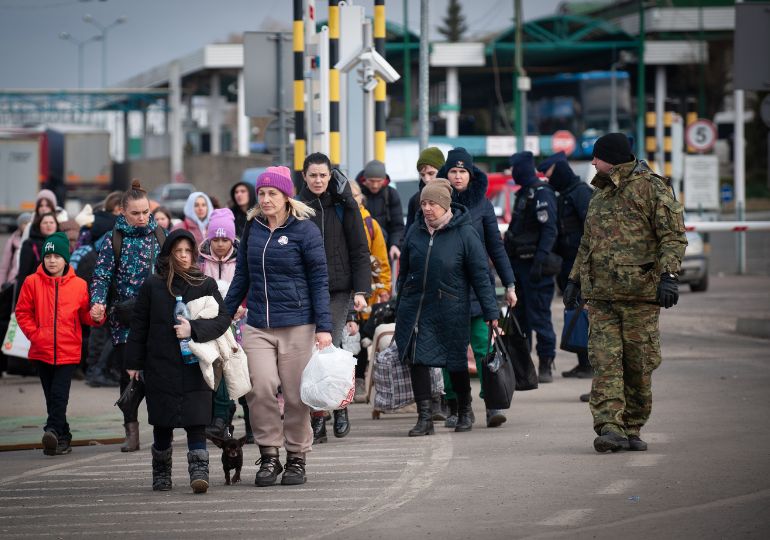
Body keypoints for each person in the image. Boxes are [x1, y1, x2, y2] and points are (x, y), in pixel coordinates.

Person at [565, 132, 687, 453]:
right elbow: (587, 243)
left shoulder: (652, 188)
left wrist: (669, 276)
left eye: (596, 156)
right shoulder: (600, 195)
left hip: (640, 297)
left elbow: (672, 236)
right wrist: (574, 280)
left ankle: (632, 426)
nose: (592, 162)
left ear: (613, 157)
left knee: (638, 365)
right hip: (602, 298)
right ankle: (609, 427)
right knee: (605, 362)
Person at [225, 165, 332, 486]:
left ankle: (296, 457)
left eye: (273, 193)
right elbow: (242, 276)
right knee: (259, 388)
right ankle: (269, 454)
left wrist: (324, 327)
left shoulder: (305, 230)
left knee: (298, 395)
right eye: (262, 193)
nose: (266, 199)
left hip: (298, 324)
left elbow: (319, 280)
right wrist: (223, 315)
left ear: (286, 196)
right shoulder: (253, 227)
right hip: (258, 324)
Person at [126, 229, 232, 493]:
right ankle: (161, 472)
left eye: (188, 251)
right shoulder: (153, 285)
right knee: (162, 422)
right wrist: (133, 362)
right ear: (169, 254)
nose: (183, 257)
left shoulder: (204, 284)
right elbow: (139, 325)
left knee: (197, 422)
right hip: (160, 364)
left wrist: (193, 329)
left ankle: (199, 472)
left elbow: (222, 320)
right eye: (178, 251)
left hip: (195, 365)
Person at [395, 179, 499, 436]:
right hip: (416, 307)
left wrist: (491, 314)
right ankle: (424, 418)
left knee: (455, 362)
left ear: (445, 204)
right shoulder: (415, 231)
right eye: (423, 203)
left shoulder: (465, 233)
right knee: (416, 360)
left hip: (451, 308)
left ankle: (464, 410)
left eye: (432, 203)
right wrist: (401, 300)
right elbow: (404, 270)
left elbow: (481, 276)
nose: (427, 208)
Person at [437, 148, 517, 428]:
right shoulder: (435, 202)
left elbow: (496, 246)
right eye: (453, 171)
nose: (458, 177)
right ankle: (458, 406)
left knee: (484, 347)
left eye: (462, 171)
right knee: (452, 352)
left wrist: (509, 283)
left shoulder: (482, 205)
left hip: (478, 288)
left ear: (470, 174)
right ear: (446, 174)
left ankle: (492, 403)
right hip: (446, 290)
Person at [298, 153, 370, 443]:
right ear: (304, 176)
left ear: (330, 176)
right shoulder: (296, 207)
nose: (318, 180)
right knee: (309, 354)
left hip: (338, 289)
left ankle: (340, 407)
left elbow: (359, 248)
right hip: (304, 289)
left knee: (332, 345)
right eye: (312, 175)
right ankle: (318, 419)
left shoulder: (344, 204)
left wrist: (361, 291)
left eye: (323, 175)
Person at [90, 180, 166, 452]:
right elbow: (101, 276)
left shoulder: (160, 235)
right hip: (124, 320)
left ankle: (161, 431)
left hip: (157, 318)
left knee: (158, 376)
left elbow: (173, 272)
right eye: (136, 213)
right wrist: (97, 302)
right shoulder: (113, 240)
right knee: (129, 377)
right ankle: (131, 431)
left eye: (146, 212)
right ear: (122, 212)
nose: (142, 217)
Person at [15, 232, 104, 455]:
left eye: (57, 256)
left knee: (59, 396)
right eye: (48, 256)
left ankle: (52, 430)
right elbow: (22, 312)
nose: (52, 260)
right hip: (41, 350)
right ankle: (63, 437)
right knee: (51, 398)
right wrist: (35, 335)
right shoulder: (31, 282)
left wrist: (96, 316)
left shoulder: (79, 285)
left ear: (66, 259)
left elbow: (86, 316)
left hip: (68, 351)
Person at [537, 152, 593, 379]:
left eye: (549, 174)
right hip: (568, 267)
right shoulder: (564, 195)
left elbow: (591, 231)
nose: (548, 179)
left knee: (584, 315)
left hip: (581, 267)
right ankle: (582, 362)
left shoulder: (581, 193)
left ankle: (590, 364)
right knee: (574, 315)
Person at [504, 151, 559, 384]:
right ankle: (523, 368)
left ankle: (545, 364)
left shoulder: (541, 193)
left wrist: (539, 261)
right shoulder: (524, 194)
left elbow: (549, 231)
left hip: (535, 267)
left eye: (514, 169)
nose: (512, 173)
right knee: (520, 320)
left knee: (540, 317)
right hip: (519, 266)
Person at [198, 208, 252, 442]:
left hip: (241, 321)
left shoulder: (242, 259)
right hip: (214, 325)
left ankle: (252, 423)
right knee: (219, 369)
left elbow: (250, 284)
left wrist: (244, 305)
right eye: (215, 239)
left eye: (225, 239)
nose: (220, 244)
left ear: (232, 239)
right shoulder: (201, 262)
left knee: (243, 369)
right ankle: (222, 421)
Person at [348, 181, 392, 401]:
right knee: (346, 338)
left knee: (364, 335)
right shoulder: (338, 220)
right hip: (343, 289)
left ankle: (360, 380)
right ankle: (348, 381)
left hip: (368, 292)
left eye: (354, 195)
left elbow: (381, 259)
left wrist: (384, 288)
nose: (351, 198)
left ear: (361, 197)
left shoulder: (370, 223)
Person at [355, 159, 404, 260]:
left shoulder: (391, 194)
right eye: (371, 181)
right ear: (364, 179)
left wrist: (394, 245)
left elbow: (397, 226)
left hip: (385, 249)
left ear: (384, 180)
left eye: (379, 181)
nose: (375, 185)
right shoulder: (356, 193)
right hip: (361, 248)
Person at [15, 212, 60, 303]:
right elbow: (23, 273)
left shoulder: (62, 244)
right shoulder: (29, 244)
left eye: (51, 222)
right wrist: (19, 299)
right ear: (39, 225)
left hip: (57, 291)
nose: (48, 225)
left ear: (56, 225)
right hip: (35, 291)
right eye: (45, 223)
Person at [405, 147, 445, 234]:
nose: (426, 179)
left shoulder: (455, 195)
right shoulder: (415, 200)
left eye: (431, 173)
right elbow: (408, 235)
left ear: (442, 171)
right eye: (422, 175)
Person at [0, 212, 32, 287]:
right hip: (13, 282)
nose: (27, 225)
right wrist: (1, 284)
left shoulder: (36, 241)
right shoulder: (12, 241)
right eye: (25, 223)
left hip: (30, 282)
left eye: (30, 223)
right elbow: (4, 267)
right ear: (19, 225)